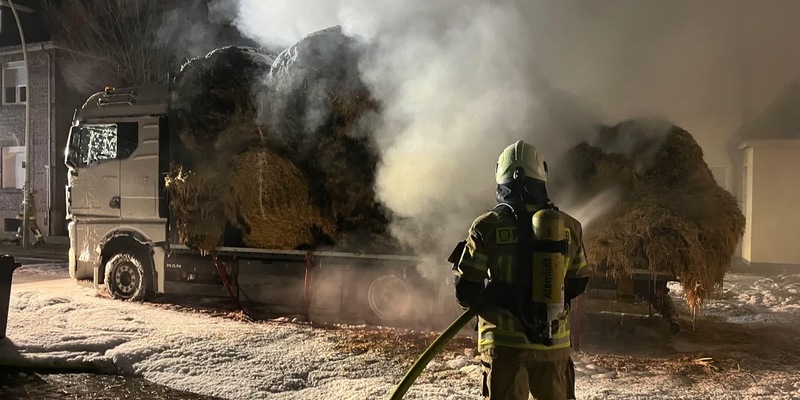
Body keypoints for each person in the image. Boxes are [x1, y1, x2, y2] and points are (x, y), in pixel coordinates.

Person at [452, 140, 590, 400]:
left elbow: (466, 292)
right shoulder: (569, 227)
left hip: (505, 349)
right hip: (554, 346)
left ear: (499, 175)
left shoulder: (486, 227)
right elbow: (579, 281)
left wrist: (500, 296)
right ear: (543, 174)